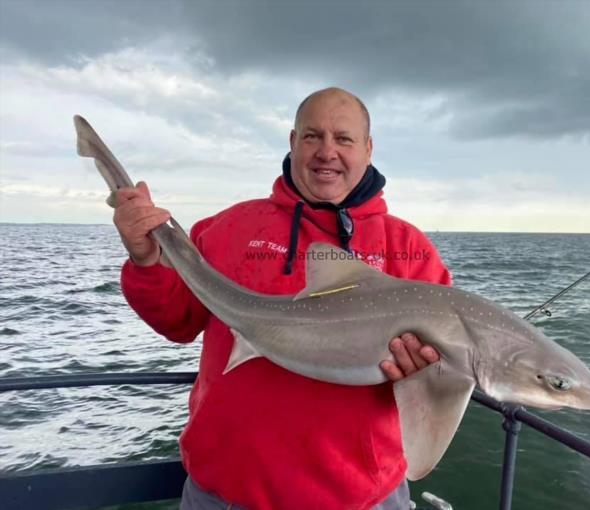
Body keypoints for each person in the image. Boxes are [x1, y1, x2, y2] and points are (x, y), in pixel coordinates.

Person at [114, 87, 452, 510]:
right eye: (312, 136)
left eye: (343, 139)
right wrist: (146, 261)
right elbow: (176, 322)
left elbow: (441, 373)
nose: (326, 151)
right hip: (224, 494)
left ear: (368, 149)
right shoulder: (227, 229)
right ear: (293, 143)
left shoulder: (409, 248)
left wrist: (423, 371)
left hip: (360, 499)